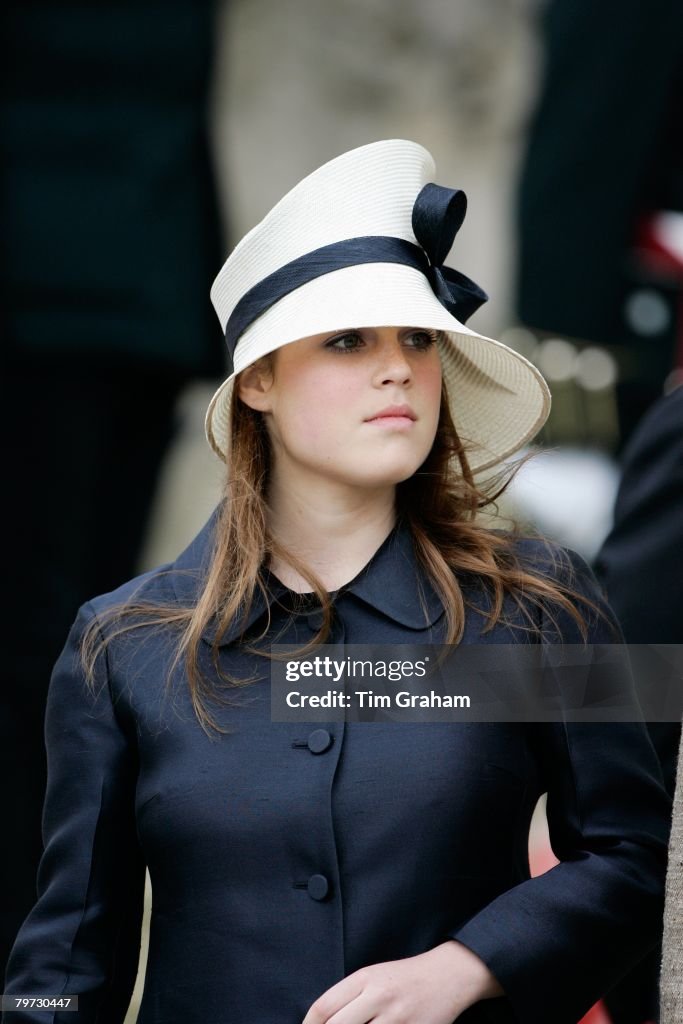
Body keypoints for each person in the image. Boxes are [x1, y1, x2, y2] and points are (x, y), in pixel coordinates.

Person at [2, 140, 672, 1024]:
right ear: (259, 384)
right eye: (348, 339)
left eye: (418, 338)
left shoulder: (541, 604)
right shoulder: (123, 643)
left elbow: (634, 854)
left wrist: (469, 964)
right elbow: (62, 965)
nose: (397, 367)